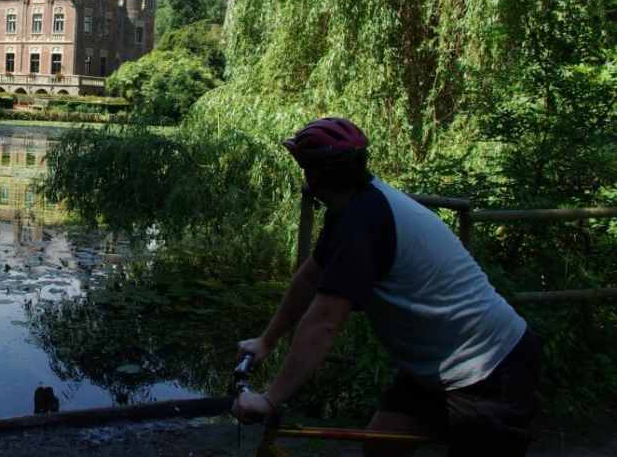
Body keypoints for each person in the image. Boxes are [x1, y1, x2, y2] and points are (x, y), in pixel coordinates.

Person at [232, 117, 542, 456]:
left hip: (489, 369)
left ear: (317, 175)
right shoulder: (353, 206)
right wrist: (266, 340)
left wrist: (270, 398)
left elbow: (324, 322)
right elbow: (309, 278)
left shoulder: (363, 222)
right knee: (381, 446)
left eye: (305, 168)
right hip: (440, 367)